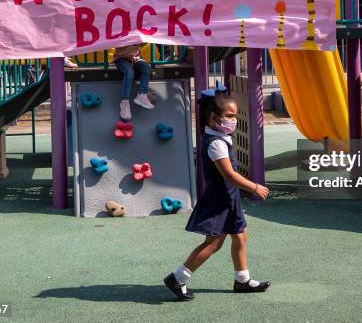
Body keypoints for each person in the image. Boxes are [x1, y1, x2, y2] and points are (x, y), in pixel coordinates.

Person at [164, 86, 270, 301]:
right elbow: (229, 176)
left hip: (230, 198)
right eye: (229, 116)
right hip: (220, 200)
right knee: (213, 243)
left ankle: (242, 280)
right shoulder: (216, 144)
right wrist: (255, 187)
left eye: (235, 116)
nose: (234, 120)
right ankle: (178, 277)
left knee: (240, 236)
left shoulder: (219, 137)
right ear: (213, 118)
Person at [113, 44, 153, 120]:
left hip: (135, 58)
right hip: (121, 58)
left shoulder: (137, 32)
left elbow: (144, 41)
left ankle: (142, 95)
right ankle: (125, 103)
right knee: (129, 73)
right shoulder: (120, 33)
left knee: (147, 69)